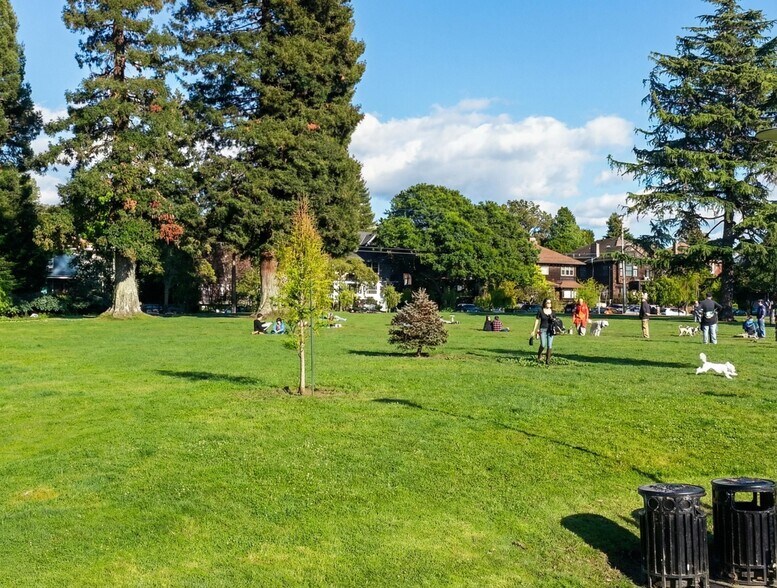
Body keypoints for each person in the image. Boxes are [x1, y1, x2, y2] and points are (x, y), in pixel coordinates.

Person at [531, 298, 556, 365]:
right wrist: (534, 330)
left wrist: (553, 320)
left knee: (549, 345)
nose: (549, 304)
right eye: (547, 302)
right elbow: (537, 320)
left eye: (550, 303)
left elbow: (556, 322)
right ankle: (539, 355)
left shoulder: (553, 312)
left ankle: (547, 361)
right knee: (543, 344)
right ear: (544, 303)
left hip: (550, 331)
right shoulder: (540, 311)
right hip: (543, 330)